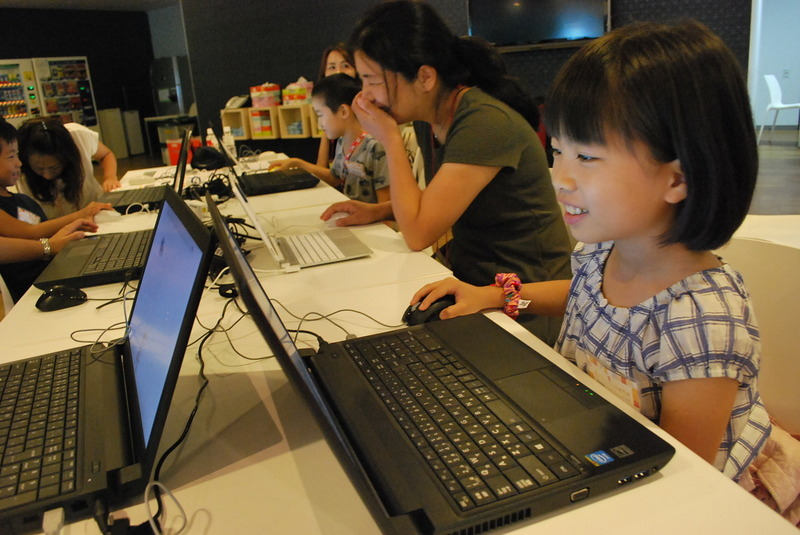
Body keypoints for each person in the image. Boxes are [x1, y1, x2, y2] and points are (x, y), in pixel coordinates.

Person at [410, 20, 770, 481]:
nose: (560, 177)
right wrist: (500, 296)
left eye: (587, 157)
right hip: (592, 439)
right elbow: (584, 297)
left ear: (677, 178)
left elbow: (681, 478)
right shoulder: (604, 250)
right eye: (558, 151)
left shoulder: (701, 321)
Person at [320, 0, 572, 343]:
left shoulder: (483, 123)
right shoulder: (439, 116)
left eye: (372, 81)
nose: (365, 95)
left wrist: (390, 139)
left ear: (425, 77)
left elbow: (418, 234)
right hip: (475, 288)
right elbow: (440, 203)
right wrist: (379, 210)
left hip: (525, 305)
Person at [0, 118, 99, 301]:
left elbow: (41, 235)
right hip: (38, 291)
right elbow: (31, 232)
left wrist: (66, 232)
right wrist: (52, 244)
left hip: (56, 273)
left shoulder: (21, 200)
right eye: (11, 156)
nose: (19, 163)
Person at [269, 74, 390, 203]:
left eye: (320, 115)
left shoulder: (376, 147)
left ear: (343, 111)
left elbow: (386, 207)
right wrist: (298, 163)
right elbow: (334, 178)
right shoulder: (342, 141)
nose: (319, 124)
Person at [16, 117, 121, 219]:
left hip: (96, 214)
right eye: (39, 168)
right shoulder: (18, 164)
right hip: (56, 227)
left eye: (54, 168)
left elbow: (106, 155)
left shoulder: (77, 136)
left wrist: (110, 177)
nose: (47, 176)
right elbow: (30, 224)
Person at [315, 43, 358, 168]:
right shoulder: (328, 109)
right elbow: (321, 166)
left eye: (345, 66)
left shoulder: (366, 108)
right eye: (332, 67)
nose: (338, 72)